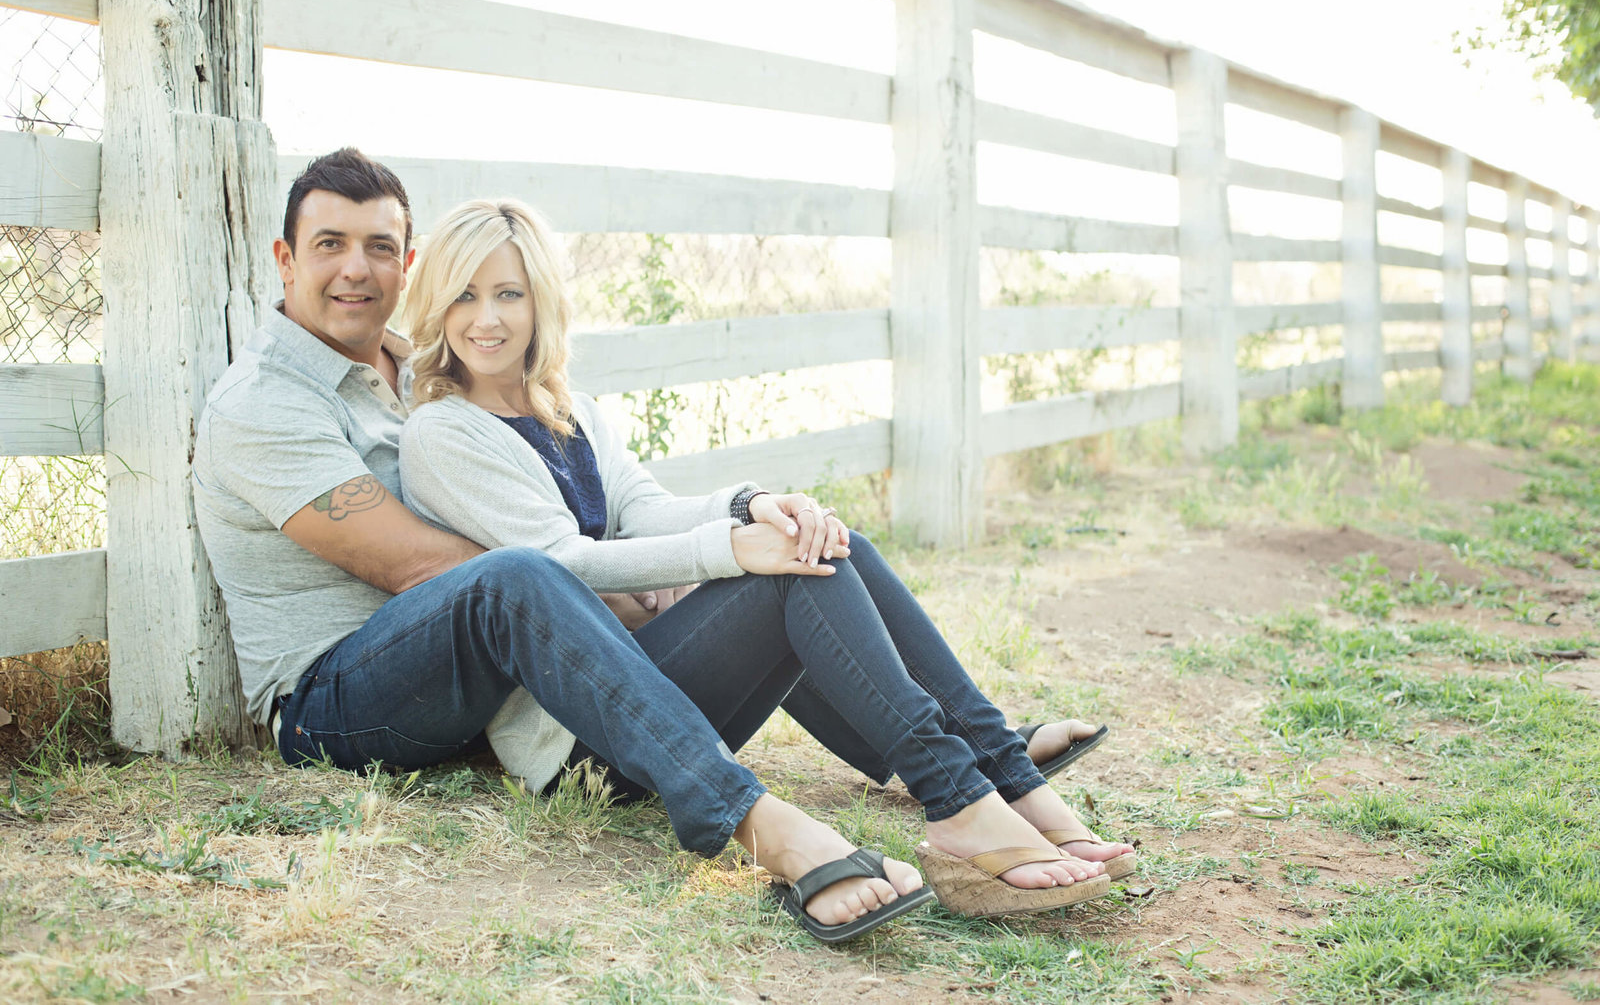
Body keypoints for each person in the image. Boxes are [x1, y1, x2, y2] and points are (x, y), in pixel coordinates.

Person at [192, 148, 946, 942]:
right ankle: (755, 821)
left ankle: (949, 746)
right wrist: (598, 589)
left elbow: (575, 509)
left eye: (379, 247)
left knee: (772, 567)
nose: (357, 268)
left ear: (409, 266)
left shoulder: (415, 368)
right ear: (284, 259)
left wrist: (696, 543)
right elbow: (423, 565)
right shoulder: (263, 405)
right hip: (334, 695)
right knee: (520, 576)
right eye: (329, 244)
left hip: (470, 675)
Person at [395, 198, 1138, 919]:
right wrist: (727, 550)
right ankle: (960, 799)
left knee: (828, 545)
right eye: (463, 295)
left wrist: (754, 506)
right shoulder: (443, 432)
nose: (485, 318)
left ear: (540, 301)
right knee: (791, 577)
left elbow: (645, 507)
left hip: (649, 686)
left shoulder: (572, 410)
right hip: (581, 737)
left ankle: (1004, 775)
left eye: (507, 293)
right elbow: (559, 564)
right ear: (436, 304)